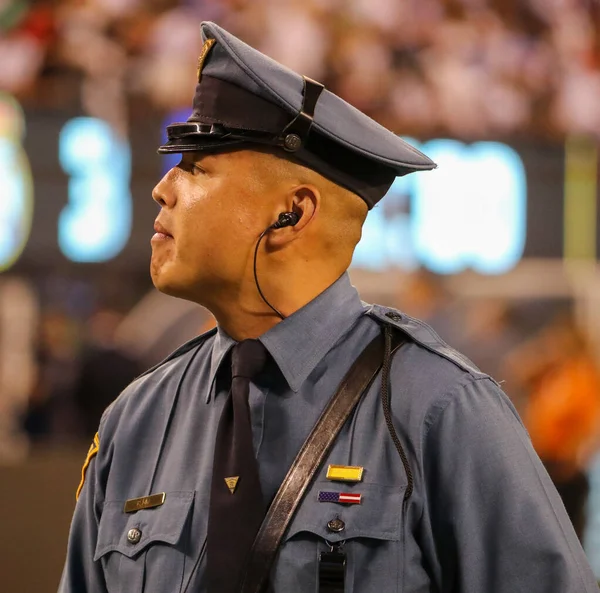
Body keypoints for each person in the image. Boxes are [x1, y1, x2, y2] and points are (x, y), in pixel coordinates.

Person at [58, 21, 598, 593]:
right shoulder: (135, 419)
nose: (162, 189)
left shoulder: (440, 411)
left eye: (198, 168)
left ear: (293, 212)